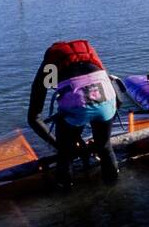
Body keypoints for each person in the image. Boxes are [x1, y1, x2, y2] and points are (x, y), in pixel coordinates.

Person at [28, 39, 120, 189]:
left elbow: (33, 118)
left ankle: (66, 192)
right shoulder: (89, 54)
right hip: (108, 97)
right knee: (104, 146)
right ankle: (115, 187)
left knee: (65, 154)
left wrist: (58, 145)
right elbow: (118, 100)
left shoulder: (50, 64)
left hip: (76, 103)